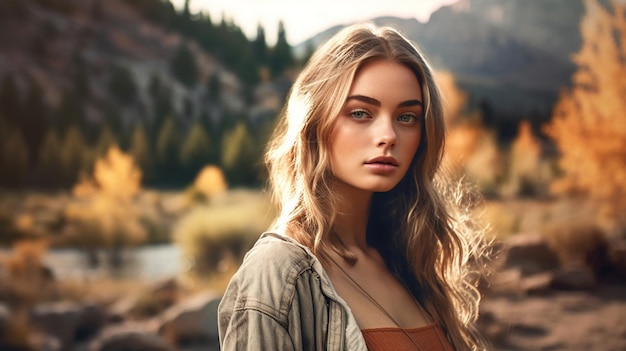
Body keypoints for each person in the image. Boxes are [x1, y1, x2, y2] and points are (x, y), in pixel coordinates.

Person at [218, 23, 488, 351]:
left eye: (407, 117)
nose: (388, 135)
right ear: (316, 122)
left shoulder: (408, 256)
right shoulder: (277, 273)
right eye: (361, 113)